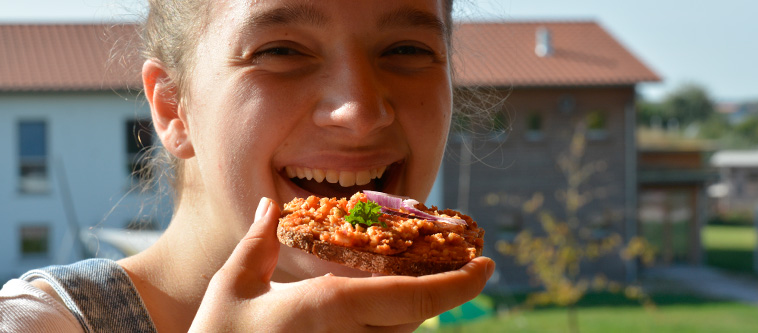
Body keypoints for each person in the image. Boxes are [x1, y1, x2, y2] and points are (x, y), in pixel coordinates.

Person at [0, 0, 495, 331]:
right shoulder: (37, 322)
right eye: (280, 51)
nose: (360, 112)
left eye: (407, 49)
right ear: (174, 108)